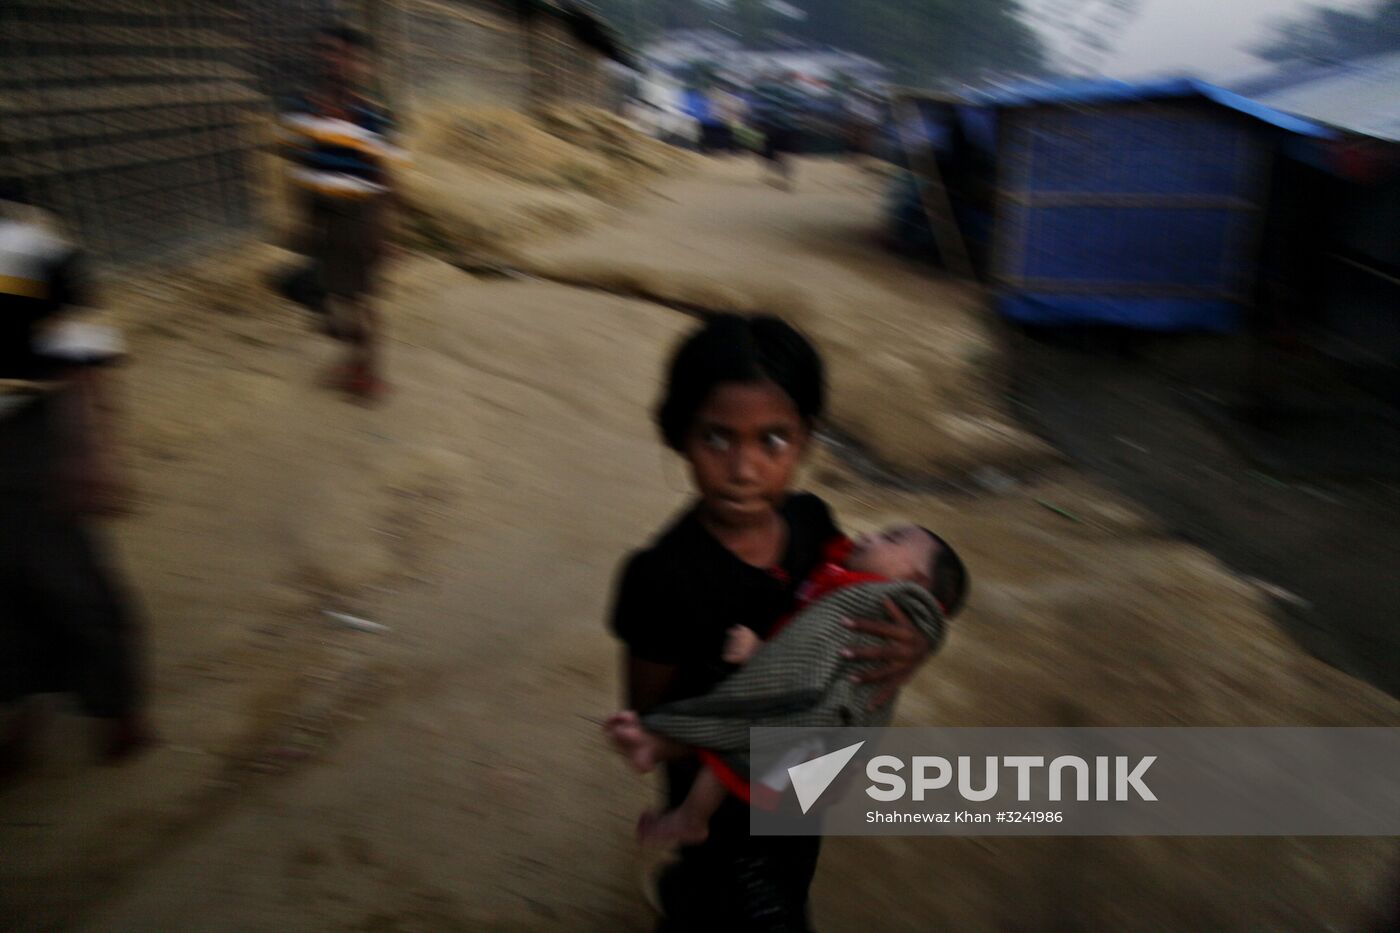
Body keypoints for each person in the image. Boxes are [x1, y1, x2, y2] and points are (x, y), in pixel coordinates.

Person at [609, 313, 937, 931]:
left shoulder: (812, 525)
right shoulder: (661, 576)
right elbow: (653, 718)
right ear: (680, 434)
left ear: (807, 438)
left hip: (797, 796)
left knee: (789, 872)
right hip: (720, 814)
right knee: (737, 904)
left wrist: (912, 645)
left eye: (773, 440)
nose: (744, 469)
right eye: (718, 438)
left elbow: (865, 605)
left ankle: (687, 894)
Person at [608, 523, 968, 845]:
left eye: (889, 539)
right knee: (743, 749)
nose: (868, 535)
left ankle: (689, 816)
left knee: (738, 749)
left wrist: (760, 652)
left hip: (819, 719)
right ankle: (660, 749)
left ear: (917, 583)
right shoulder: (850, 574)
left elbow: (812, 653)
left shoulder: (875, 604)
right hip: (821, 722)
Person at [0, 182, 151, 772]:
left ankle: (120, 708)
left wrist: (96, 450)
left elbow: (83, 352)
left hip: (27, 438)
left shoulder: (26, 243)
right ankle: (23, 711)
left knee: (67, 582)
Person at [280, 24, 405, 402]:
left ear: (357, 62)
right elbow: (298, 167)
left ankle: (370, 374)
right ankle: (354, 362)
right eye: (326, 52)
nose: (331, 61)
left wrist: (385, 232)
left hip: (359, 217)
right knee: (333, 300)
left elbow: (387, 178)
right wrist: (302, 222)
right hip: (321, 216)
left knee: (362, 300)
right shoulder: (303, 110)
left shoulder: (372, 116)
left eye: (340, 54)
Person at [750, 73, 806, 190]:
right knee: (784, 155)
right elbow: (802, 111)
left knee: (766, 151)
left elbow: (763, 109)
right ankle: (787, 179)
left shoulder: (772, 92)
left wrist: (756, 121)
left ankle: (771, 174)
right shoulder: (797, 94)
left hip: (774, 128)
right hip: (791, 129)